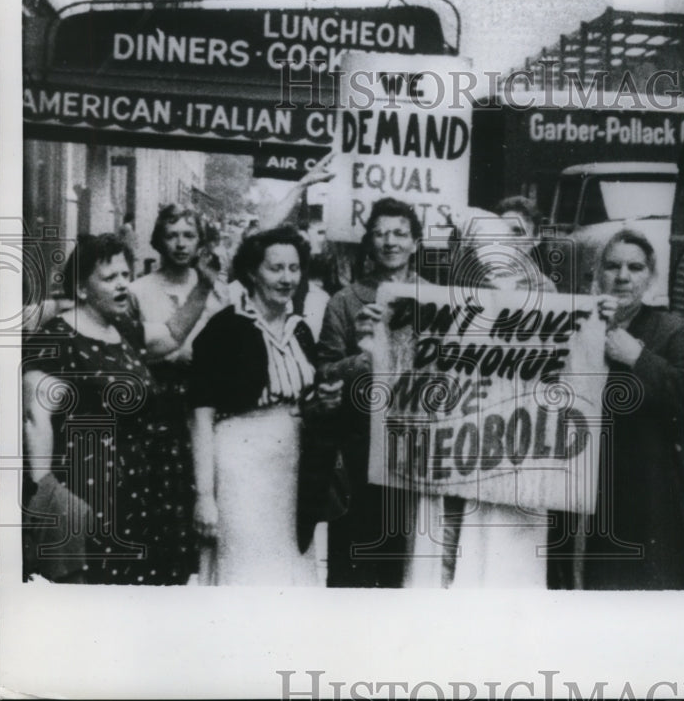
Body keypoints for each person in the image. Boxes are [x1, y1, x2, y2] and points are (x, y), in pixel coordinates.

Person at [21, 234, 190, 584]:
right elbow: (36, 420)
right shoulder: (57, 339)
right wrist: (50, 501)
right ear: (82, 288)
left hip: (139, 488)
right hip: (88, 491)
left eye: (126, 275)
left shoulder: (123, 329)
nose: (122, 285)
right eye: (109, 277)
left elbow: (173, 334)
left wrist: (203, 283)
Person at [189, 227, 342, 586]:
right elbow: (200, 415)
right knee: (246, 569)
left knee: (289, 566)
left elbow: (306, 400)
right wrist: (205, 496)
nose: (287, 278)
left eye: (294, 268)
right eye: (276, 268)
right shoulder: (225, 328)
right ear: (253, 272)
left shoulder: (301, 330)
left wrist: (324, 400)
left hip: (292, 472)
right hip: (241, 470)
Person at [420, 210, 557, 588]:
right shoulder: (460, 293)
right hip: (463, 441)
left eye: (513, 234)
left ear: (530, 241)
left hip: (511, 445)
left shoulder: (543, 293)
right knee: (455, 544)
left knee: (504, 552)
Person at [583, 229, 684, 590]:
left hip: (648, 489)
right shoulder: (578, 324)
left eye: (635, 267)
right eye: (612, 266)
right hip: (586, 483)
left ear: (650, 276)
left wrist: (639, 357)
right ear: (598, 273)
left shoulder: (672, 330)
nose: (622, 276)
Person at [316, 197, 427, 588]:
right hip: (360, 453)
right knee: (353, 570)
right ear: (369, 242)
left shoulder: (436, 301)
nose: (390, 242)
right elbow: (323, 373)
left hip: (419, 454)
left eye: (400, 233)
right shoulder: (345, 302)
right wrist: (363, 358)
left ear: (415, 242)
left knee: (405, 572)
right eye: (380, 234)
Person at [128, 204, 229, 583]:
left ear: (201, 241)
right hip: (162, 405)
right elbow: (135, 349)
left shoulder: (216, 288)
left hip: (211, 404)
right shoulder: (138, 290)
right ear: (159, 240)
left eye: (189, 235)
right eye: (172, 235)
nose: (181, 243)